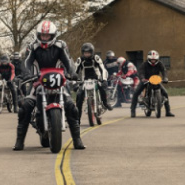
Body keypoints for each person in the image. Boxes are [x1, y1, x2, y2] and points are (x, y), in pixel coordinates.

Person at [13, 20, 84, 151]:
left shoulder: (61, 45)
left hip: (59, 81)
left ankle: (77, 139)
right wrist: (27, 74)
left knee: (71, 107)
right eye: (42, 35)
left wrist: (72, 72)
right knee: (25, 107)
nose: (45, 38)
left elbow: (68, 61)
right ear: (38, 35)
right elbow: (26, 63)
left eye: (47, 36)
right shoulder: (32, 47)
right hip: (38, 81)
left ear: (53, 35)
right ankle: (19, 141)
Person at [131, 50, 174, 117]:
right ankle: (132, 111)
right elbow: (141, 72)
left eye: (154, 59)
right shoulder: (144, 64)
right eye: (152, 60)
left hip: (156, 81)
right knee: (136, 93)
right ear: (149, 59)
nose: (153, 61)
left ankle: (168, 111)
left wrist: (165, 78)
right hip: (146, 80)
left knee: (165, 93)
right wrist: (142, 78)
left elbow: (164, 71)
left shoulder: (160, 64)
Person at [74, 42, 112, 118]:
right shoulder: (80, 60)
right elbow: (74, 72)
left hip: (96, 79)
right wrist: (75, 83)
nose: (87, 54)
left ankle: (105, 103)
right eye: (85, 53)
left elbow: (103, 69)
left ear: (92, 52)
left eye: (88, 53)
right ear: (82, 53)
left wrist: (104, 80)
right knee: (79, 95)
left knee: (102, 89)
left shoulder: (96, 58)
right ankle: (77, 117)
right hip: (84, 80)